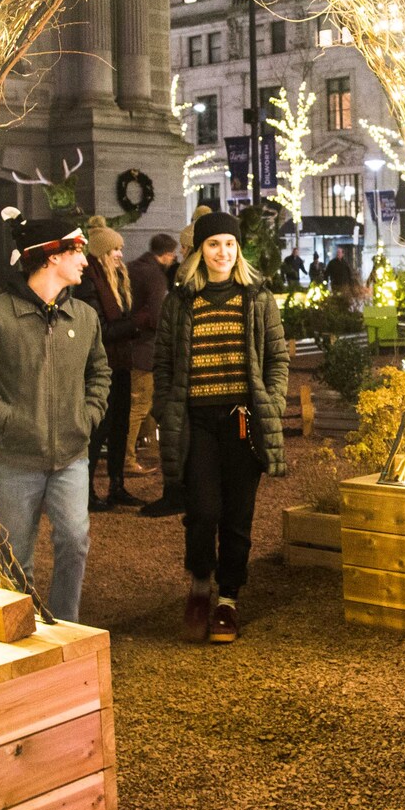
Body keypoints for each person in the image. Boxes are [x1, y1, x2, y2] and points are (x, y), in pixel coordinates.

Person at [0, 214, 111, 623]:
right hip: (15, 460)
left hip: (71, 456)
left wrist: (89, 414)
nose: (84, 260)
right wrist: (6, 417)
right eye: (76, 252)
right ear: (50, 258)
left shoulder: (84, 317)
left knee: (75, 542)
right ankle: (21, 632)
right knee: (14, 555)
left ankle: (66, 625)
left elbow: (101, 372)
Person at [152, 211, 291, 643]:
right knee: (202, 510)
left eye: (229, 244)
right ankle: (199, 585)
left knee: (237, 514)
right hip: (196, 422)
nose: (222, 252)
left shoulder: (256, 297)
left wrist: (271, 400)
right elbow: (162, 361)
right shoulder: (180, 301)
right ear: (200, 251)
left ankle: (228, 599)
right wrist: (164, 406)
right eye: (214, 244)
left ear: (238, 249)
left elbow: (277, 358)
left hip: (242, 420)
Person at [80, 222, 145, 511]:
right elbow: (100, 330)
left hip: (119, 363)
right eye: (115, 249)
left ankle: (117, 485)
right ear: (101, 253)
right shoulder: (89, 282)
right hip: (100, 367)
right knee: (100, 429)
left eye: (120, 248)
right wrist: (137, 324)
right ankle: (88, 492)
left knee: (119, 424)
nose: (120, 254)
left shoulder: (115, 280)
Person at [126, 232, 179, 472]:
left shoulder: (133, 267)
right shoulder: (155, 276)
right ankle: (128, 458)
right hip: (146, 348)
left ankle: (154, 450)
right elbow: (158, 316)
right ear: (166, 254)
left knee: (144, 403)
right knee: (140, 405)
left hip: (128, 344)